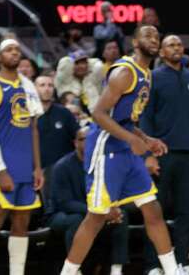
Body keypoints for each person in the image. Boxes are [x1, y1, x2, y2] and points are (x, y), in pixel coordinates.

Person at [58, 25, 181, 275]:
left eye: (157, 36)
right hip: (105, 148)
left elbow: (125, 120)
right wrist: (132, 139)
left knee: (152, 208)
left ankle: (172, 270)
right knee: (96, 217)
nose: (154, 40)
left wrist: (146, 139)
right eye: (147, 35)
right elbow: (99, 114)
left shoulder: (146, 74)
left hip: (125, 147)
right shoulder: (125, 72)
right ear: (135, 42)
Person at [139, 35, 189, 272]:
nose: (176, 48)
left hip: (188, 154)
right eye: (170, 45)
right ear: (161, 52)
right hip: (161, 154)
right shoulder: (154, 78)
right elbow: (145, 117)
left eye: (179, 44)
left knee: (184, 212)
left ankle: (182, 263)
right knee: (155, 212)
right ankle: (153, 265)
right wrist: (148, 154)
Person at [0, 39, 44, 275]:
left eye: (17, 49)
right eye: (9, 49)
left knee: (22, 222)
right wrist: (1, 169)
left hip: (26, 166)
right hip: (2, 166)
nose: (14, 53)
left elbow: (33, 129)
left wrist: (37, 167)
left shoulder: (28, 86)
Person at [48, 127, 129, 275]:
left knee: (121, 216)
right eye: (82, 139)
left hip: (94, 211)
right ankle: (74, 270)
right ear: (75, 143)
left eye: (90, 139)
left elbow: (113, 191)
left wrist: (112, 209)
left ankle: (117, 270)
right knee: (77, 221)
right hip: (61, 214)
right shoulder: (62, 166)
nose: (86, 142)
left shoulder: (103, 163)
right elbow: (64, 203)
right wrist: (100, 213)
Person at [36, 74, 79, 173]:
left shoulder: (64, 113)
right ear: (34, 88)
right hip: (36, 170)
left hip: (63, 170)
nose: (47, 89)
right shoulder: (28, 113)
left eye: (50, 85)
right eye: (42, 85)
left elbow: (77, 135)